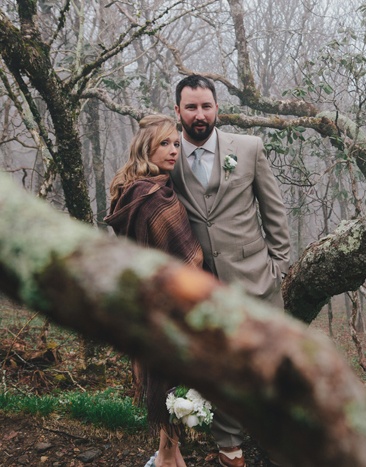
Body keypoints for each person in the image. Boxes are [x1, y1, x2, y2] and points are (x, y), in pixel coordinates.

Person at [171, 74, 291, 467]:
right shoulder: (166, 158)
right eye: (191, 107)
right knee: (217, 366)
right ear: (178, 111)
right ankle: (229, 449)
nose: (200, 114)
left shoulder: (249, 148)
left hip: (256, 277)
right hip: (199, 285)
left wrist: (278, 265)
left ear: (217, 108)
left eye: (206, 106)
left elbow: (274, 210)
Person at [105, 114, 203, 467]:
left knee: (165, 380)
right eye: (165, 143)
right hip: (169, 301)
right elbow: (187, 256)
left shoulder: (131, 189)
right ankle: (165, 459)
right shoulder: (154, 196)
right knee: (171, 380)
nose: (174, 150)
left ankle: (172, 457)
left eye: (176, 143)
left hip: (144, 301)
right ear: (146, 146)